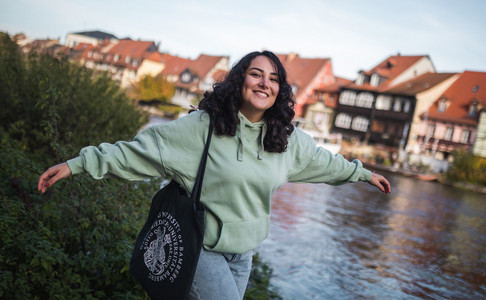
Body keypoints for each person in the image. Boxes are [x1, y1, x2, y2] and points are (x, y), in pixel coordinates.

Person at [38, 50, 391, 299]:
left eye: (273, 79)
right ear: (239, 80)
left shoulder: (286, 140)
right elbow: (139, 151)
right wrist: (78, 164)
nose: (264, 83)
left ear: (279, 90)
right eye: (256, 74)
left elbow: (324, 162)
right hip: (200, 247)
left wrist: (362, 174)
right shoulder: (203, 128)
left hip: (244, 255)